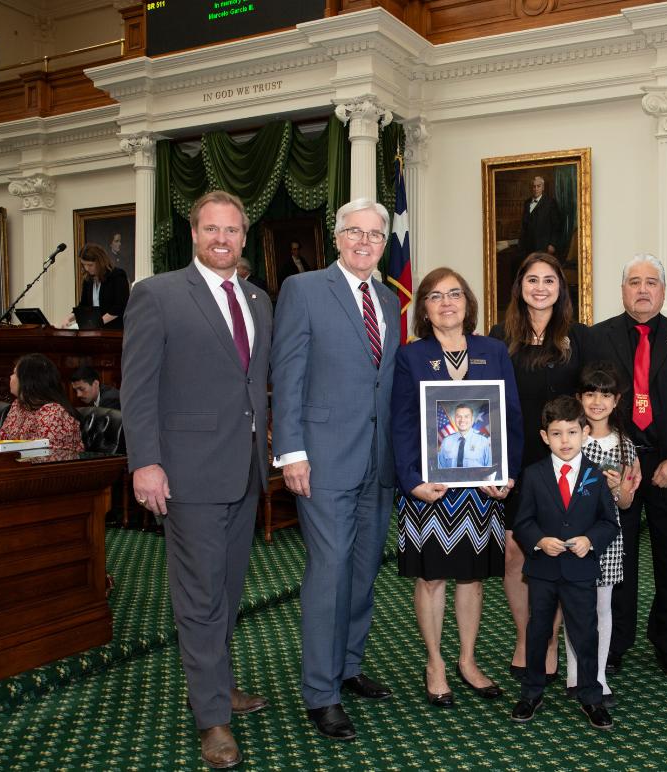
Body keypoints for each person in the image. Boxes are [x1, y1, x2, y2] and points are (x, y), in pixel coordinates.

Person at [120, 190, 272, 768]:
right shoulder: (156, 295)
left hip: (245, 469)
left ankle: (215, 683)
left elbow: (251, 386)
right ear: (194, 234)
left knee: (228, 590)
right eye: (212, 229)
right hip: (185, 472)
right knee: (200, 595)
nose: (222, 239)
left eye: (232, 230)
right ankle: (212, 718)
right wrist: (145, 461)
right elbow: (137, 388)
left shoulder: (259, 300)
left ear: (243, 236)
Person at [270, 199, 400, 742]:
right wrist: (291, 451)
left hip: (379, 459)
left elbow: (384, 382)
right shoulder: (304, 290)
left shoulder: (392, 301)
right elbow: (288, 371)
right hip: (321, 459)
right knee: (329, 570)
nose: (365, 242)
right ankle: (320, 692)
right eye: (355, 232)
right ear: (338, 237)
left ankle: (348, 665)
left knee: (365, 568)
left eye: (375, 234)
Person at [390, 268, 522, 708]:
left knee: (472, 578)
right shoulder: (412, 356)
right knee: (431, 579)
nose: (447, 303)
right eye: (435, 296)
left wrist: (508, 473)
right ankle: (435, 663)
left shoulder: (493, 350)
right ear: (423, 309)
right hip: (431, 488)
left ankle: (467, 660)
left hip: (482, 490)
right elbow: (404, 422)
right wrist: (412, 480)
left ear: (468, 302)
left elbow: (511, 417)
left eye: (455, 294)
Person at [587, 255, 667, 678]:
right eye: (633, 282)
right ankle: (616, 642)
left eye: (651, 282)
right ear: (622, 289)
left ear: (663, 290)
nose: (642, 289)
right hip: (617, 465)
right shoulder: (597, 337)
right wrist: (614, 457)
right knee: (616, 557)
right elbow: (590, 401)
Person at [489, 251, 588, 681]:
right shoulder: (498, 337)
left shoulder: (580, 337)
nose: (541, 288)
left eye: (550, 280)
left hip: (563, 461)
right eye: (532, 280)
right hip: (515, 462)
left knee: (560, 551)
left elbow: (594, 400)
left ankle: (549, 637)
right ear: (520, 287)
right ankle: (529, 636)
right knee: (516, 553)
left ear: (560, 289)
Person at [511, 395, 618, 730]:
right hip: (543, 570)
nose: (565, 441)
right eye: (556, 434)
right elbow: (523, 520)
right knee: (538, 630)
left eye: (572, 432)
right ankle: (531, 691)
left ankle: (590, 695)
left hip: (580, 570)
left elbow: (608, 523)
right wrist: (539, 541)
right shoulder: (534, 474)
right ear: (545, 437)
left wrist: (590, 540)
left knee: (585, 633)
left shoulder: (596, 476)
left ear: (584, 433)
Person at [562, 363, 638, 708]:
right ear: (580, 398)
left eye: (605, 395)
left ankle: (599, 676)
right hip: (573, 536)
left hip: (607, 539)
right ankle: (575, 673)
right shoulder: (570, 439)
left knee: (603, 607)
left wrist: (618, 487)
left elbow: (626, 501)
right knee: (576, 607)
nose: (597, 402)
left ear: (616, 400)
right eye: (590, 394)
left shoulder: (625, 447)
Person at [0, 353, 83, 452]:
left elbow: (46, 456)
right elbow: (2, 440)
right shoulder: (18, 405)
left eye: (14, 373)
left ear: (28, 380)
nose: (11, 377)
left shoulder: (54, 413)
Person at [62, 243, 130, 330]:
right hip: (94, 330)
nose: (86, 268)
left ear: (100, 262)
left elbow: (119, 307)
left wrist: (97, 323)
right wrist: (68, 318)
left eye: (90, 265)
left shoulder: (117, 276)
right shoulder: (88, 280)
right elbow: (84, 306)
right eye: (84, 264)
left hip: (114, 330)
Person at [518, 176, 565, 258]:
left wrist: (552, 244)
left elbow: (557, 226)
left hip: (544, 246)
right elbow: (524, 225)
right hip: (528, 247)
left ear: (543, 187)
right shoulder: (527, 203)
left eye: (538, 186)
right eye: (534, 186)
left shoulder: (550, 202)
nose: (536, 189)